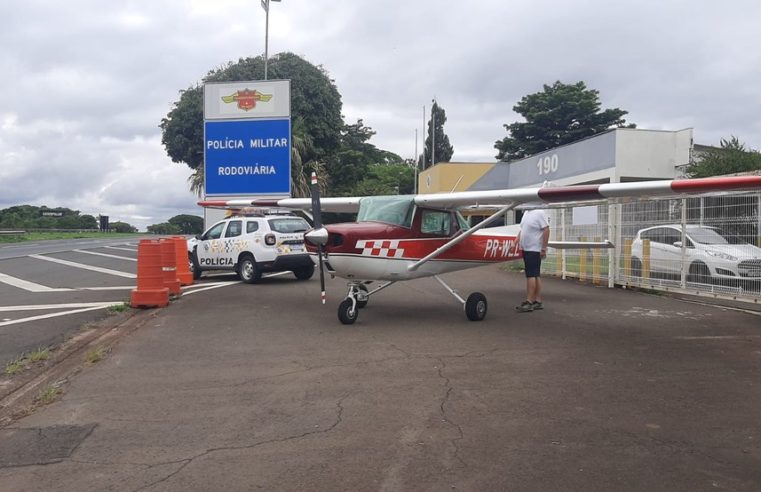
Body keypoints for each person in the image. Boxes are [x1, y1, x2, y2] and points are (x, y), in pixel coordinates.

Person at [514, 209, 550, 312]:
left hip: (533, 249)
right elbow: (522, 230)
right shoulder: (526, 212)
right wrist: (515, 241)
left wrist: (544, 248)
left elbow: (546, 229)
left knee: (531, 275)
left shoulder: (539, 212)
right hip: (526, 248)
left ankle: (529, 301)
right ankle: (537, 301)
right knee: (535, 274)